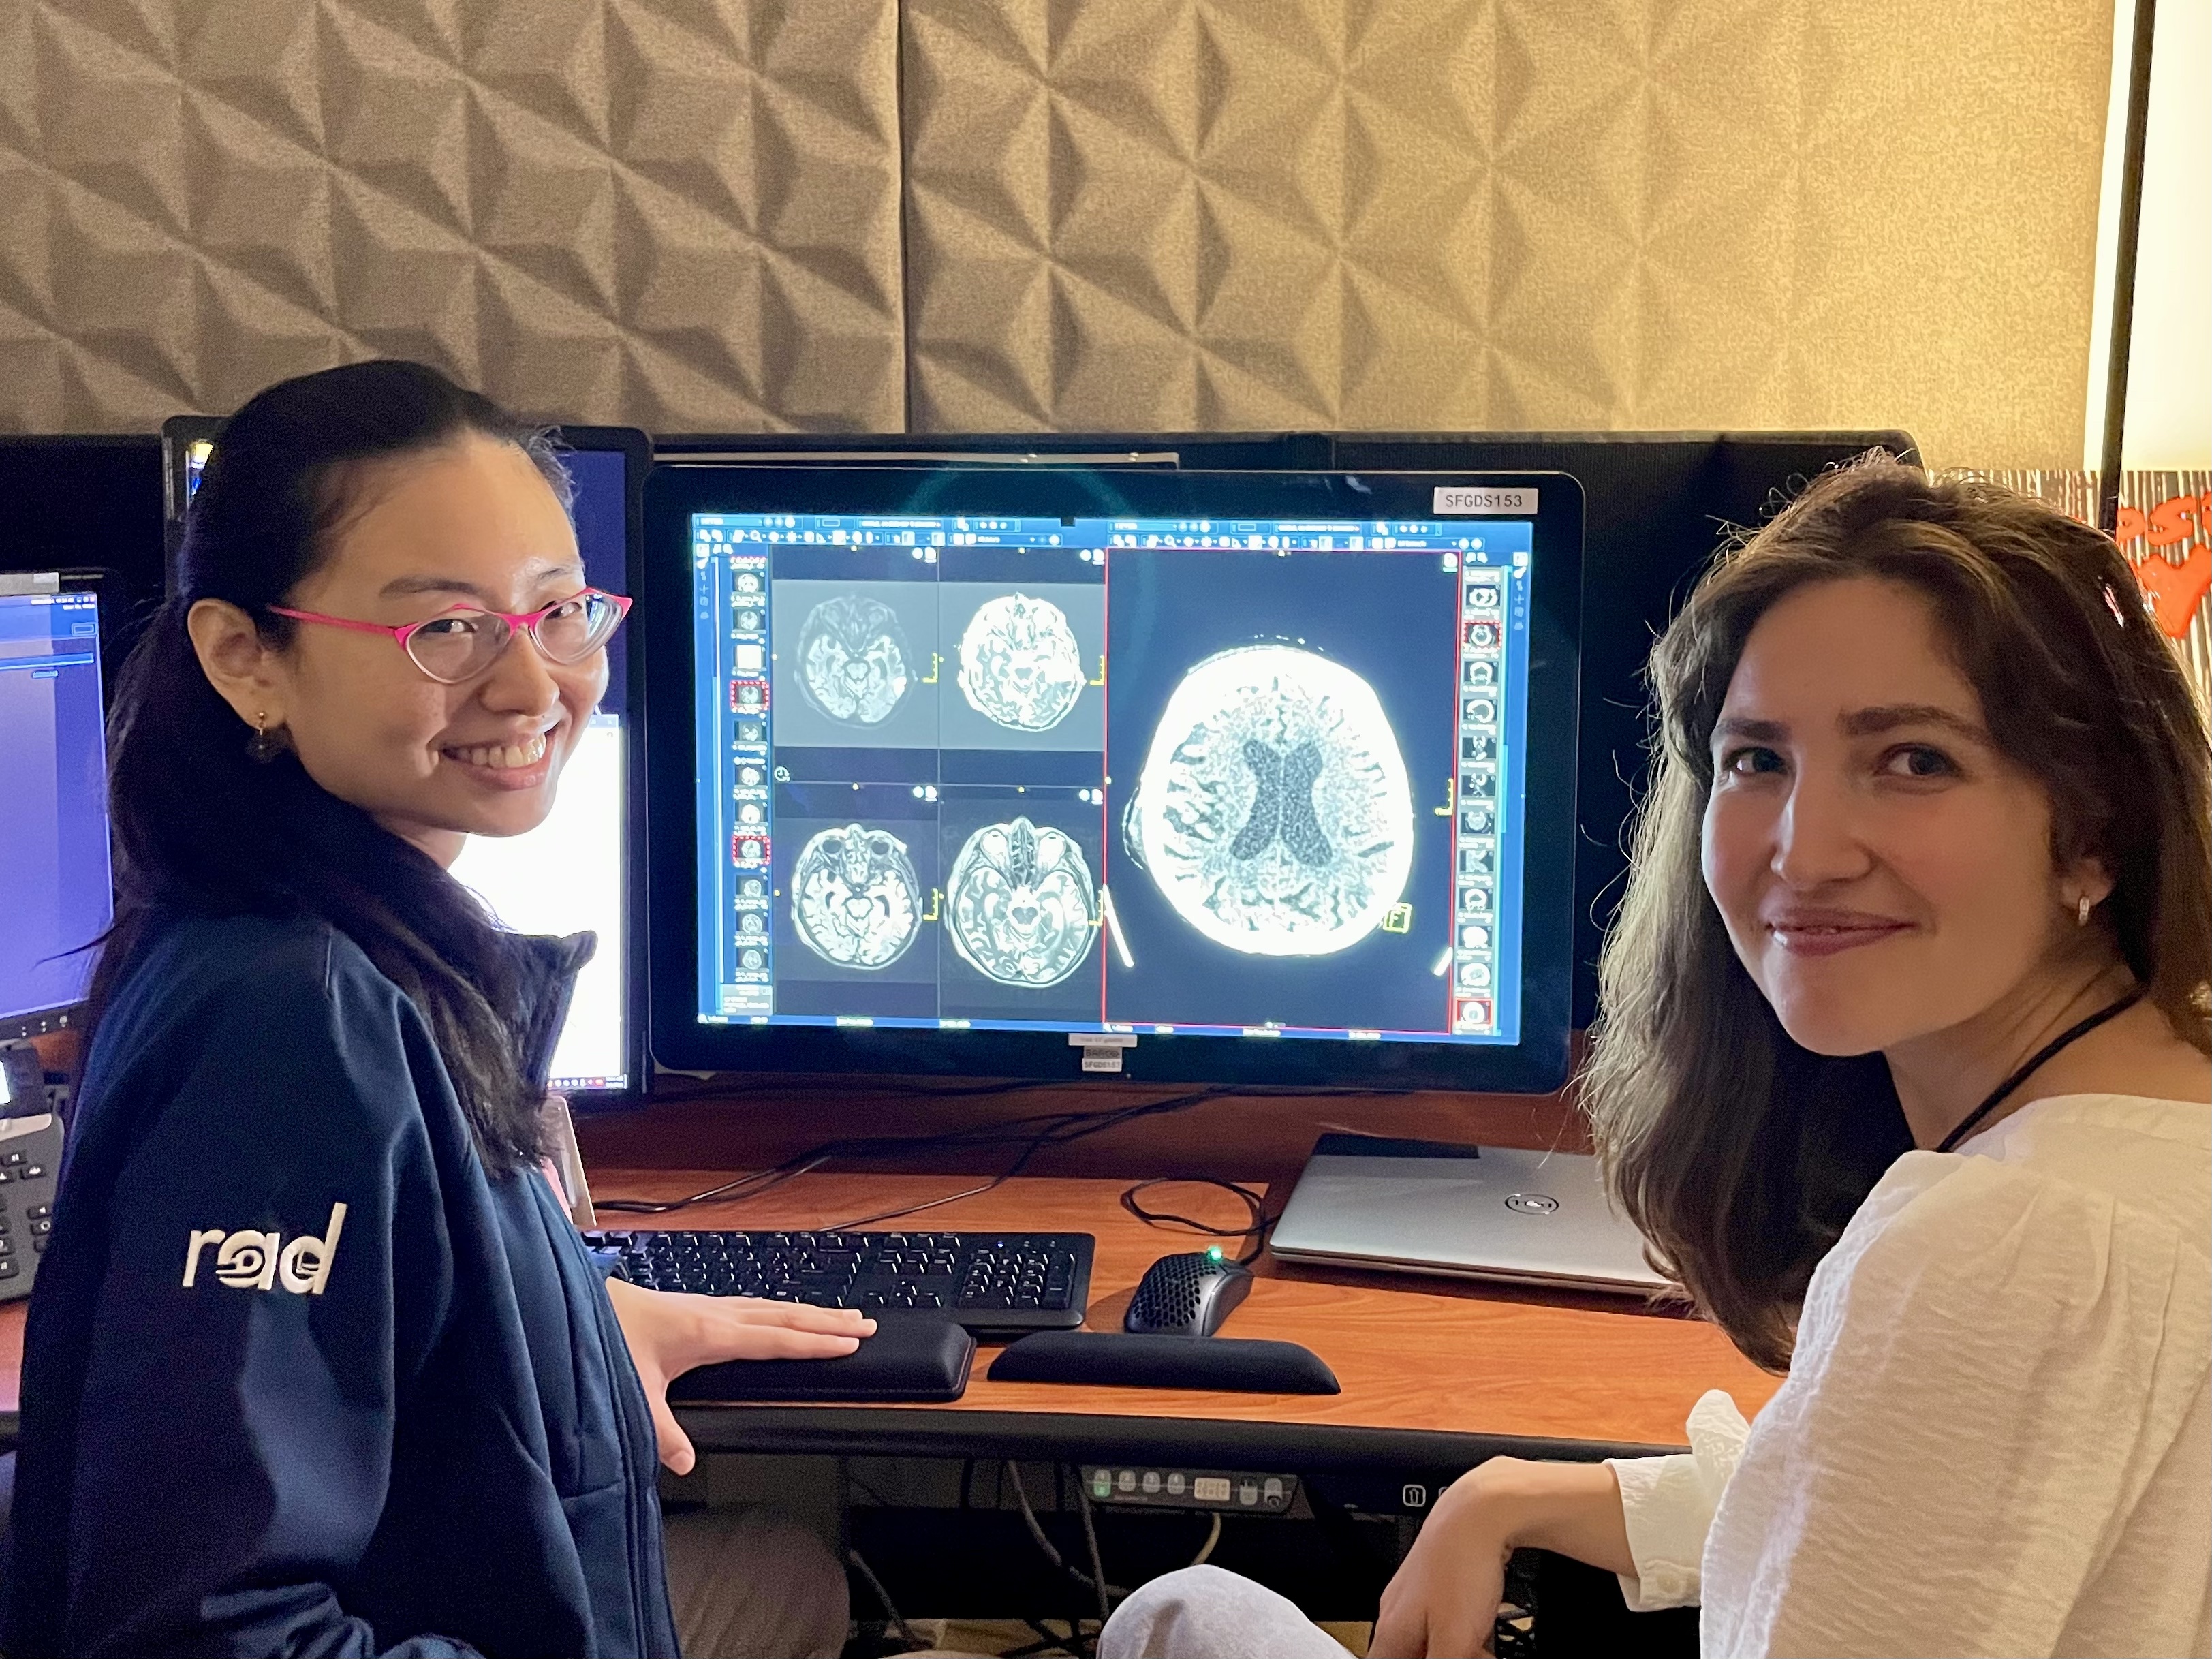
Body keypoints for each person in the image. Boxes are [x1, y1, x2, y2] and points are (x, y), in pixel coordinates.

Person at [1100, 459, 2211, 1659]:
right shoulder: (2147, 1135)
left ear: (2093, 830)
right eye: (1757, 760)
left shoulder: (2003, 1250)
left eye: (1914, 760)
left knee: (1177, 1614)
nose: (1806, 852)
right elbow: (1937, 1500)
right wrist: (1529, 1493)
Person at [0, 361, 869, 1658]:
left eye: (560, 610)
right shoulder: (292, 1022)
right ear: (248, 658)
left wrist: (557, 1326)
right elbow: (210, 1635)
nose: (534, 689)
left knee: (791, 1577)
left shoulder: (317, 936)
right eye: (445, 631)